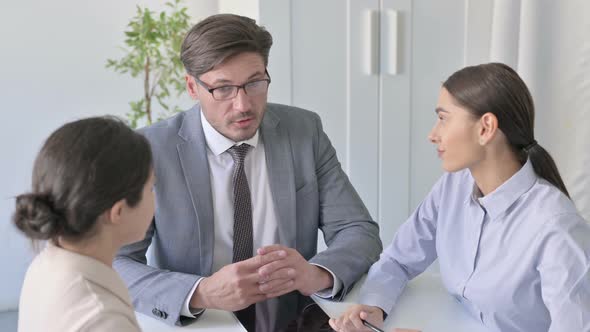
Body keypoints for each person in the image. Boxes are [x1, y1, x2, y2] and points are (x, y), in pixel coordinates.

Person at [113, 13, 383, 332]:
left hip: (294, 316)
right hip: (201, 319)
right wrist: (200, 292)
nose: (243, 105)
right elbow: (114, 260)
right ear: (192, 86)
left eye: (255, 83)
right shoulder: (150, 148)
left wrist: (317, 275)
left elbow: (358, 230)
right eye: (223, 89)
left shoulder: (304, 131)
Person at [329, 63, 590, 332]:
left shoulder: (557, 227)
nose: (433, 134)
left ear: (485, 127)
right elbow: (398, 259)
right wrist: (375, 306)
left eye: (444, 118)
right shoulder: (454, 186)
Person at [15, 117, 155, 332]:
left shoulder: (47, 262)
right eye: (150, 189)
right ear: (118, 211)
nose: (155, 200)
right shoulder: (102, 318)